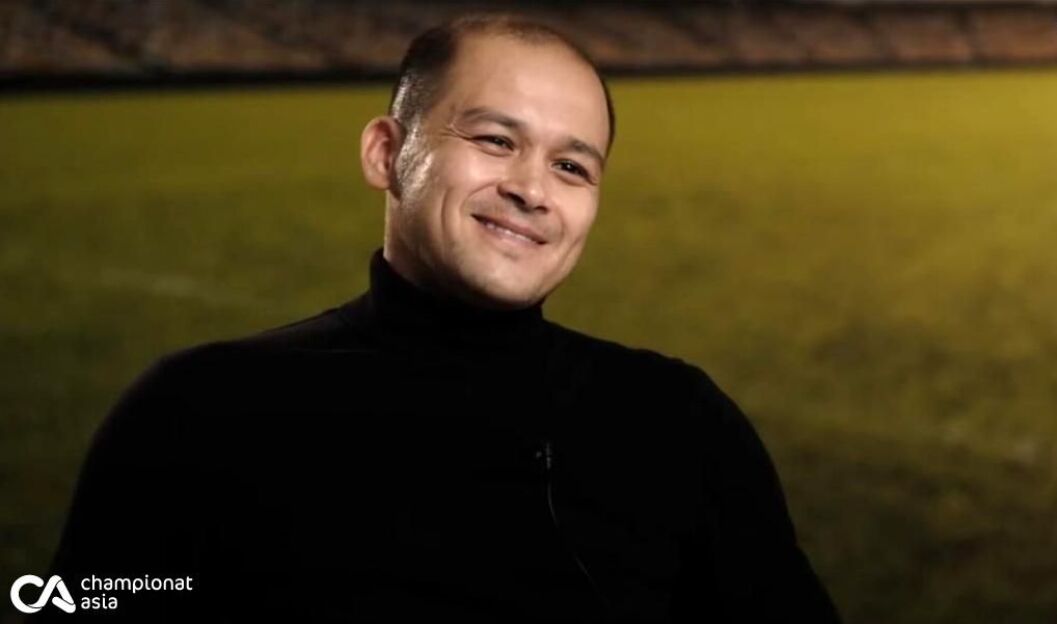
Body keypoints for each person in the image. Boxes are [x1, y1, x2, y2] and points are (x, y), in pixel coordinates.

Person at [32, 14, 840, 623]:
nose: (532, 189)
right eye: (494, 140)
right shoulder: (197, 411)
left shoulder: (679, 422)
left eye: (570, 166)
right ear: (387, 153)